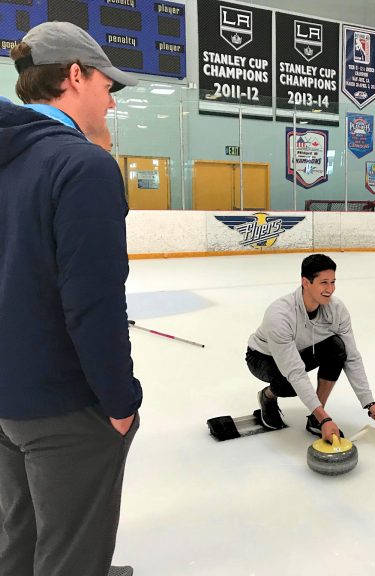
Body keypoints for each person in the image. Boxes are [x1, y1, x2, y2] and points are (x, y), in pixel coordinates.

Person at [0, 22, 142, 576]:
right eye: (108, 86)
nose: (111, 102)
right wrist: (120, 402)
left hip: (8, 396)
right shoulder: (82, 166)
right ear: (75, 76)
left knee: (20, 531)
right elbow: (93, 303)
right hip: (64, 404)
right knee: (71, 554)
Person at [246, 254, 375, 442]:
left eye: (333, 282)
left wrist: (369, 403)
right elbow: (295, 372)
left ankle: (315, 418)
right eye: (324, 283)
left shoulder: (336, 310)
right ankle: (268, 396)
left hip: (302, 351)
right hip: (262, 357)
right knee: (289, 384)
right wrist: (326, 420)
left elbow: (352, 357)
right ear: (306, 282)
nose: (330, 289)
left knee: (337, 348)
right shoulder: (280, 316)